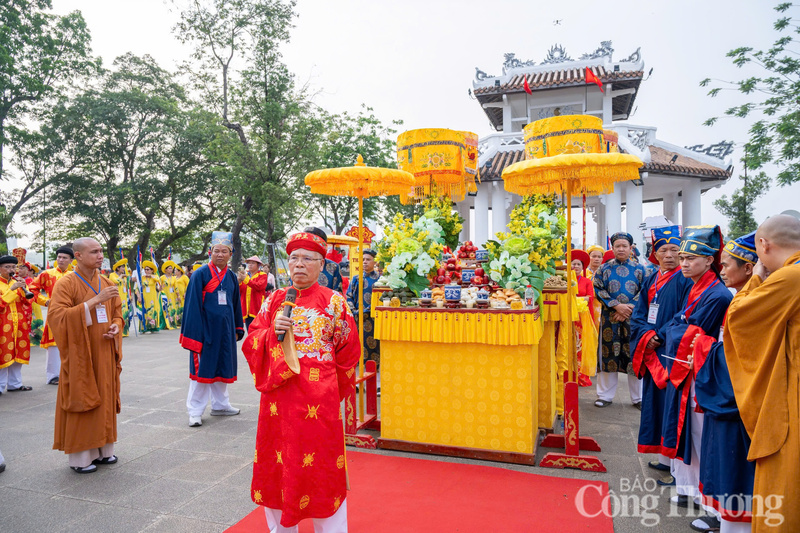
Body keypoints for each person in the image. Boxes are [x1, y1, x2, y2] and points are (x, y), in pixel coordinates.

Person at [243, 228, 360, 532]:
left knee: (322, 470)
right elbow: (251, 339)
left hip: (319, 403)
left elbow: (349, 354)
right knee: (278, 466)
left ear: (322, 265)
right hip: (278, 401)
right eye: (293, 258)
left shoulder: (334, 302)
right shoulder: (274, 301)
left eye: (307, 259)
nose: (298, 265)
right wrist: (271, 333)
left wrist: (334, 393)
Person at [724, 215, 800, 533]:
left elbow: (738, 317)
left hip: (793, 397)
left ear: (763, 245)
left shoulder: (791, 277)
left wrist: (756, 277)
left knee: (785, 484)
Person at [687, 232, 760, 533]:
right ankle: (720, 515)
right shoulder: (739, 295)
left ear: (749, 268)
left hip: (734, 392)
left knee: (734, 464)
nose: (722, 270)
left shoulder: (751, 301)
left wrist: (701, 350)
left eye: (727, 264)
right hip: (722, 383)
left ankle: (732, 522)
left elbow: (742, 355)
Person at [661, 226, 731, 514]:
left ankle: (708, 501)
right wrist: (676, 327)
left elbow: (688, 332)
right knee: (688, 432)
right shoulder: (695, 286)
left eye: (692, 258)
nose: (684, 263)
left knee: (700, 435)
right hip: (688, 369)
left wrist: (675, 328)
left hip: (700, 372)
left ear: (709, 260)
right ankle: (688, 487)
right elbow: (679, 325)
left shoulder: (717, 295)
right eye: (683, 257)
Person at [49, 237, 123, 474]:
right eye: (94, 252)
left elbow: (117, 312)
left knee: (105, 398)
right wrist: (94, 301)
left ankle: (104, 451)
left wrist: (116, 326)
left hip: (104, 350)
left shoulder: (106, 281)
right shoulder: (66, 283)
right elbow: (57, 317)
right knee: (84, 398)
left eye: (101, 251)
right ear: (78, 256)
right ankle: (81, 457)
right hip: (82, 354)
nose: (100, 255)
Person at [630, 227, 692, 481]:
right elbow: (640, 311)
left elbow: (685, 314)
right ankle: (665, 458)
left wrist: (660, 336)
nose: (668, 255)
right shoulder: (652, 278)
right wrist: (646, 334)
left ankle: (677, 465)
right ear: (654, 254)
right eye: (663, 250)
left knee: (672, 407)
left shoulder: (686, 279)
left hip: (670, 352)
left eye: (674, 250)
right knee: (657, 405)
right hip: (652, 349)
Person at [179, 232, 244, 427]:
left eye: (225, 251)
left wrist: (236, 327)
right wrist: (195, 335)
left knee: (222, 368)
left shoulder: (231, 277)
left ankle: (221, 405)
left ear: (230, 254)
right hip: (205, 332)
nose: (220, 255)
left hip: (224, 332)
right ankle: (195, 411)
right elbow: (192, 306)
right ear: (210, 252)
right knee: (202, 373)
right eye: (217, 251)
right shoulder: (200, 274)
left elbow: (235, 304)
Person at [592, 232, 646, 408]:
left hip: (634, 319)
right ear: (612, 248)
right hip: (610, 318)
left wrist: (628, 308)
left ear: (631, 248)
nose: (621, 249)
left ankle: (638, 398)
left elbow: (645, 292)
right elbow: (598, 288)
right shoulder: (604, 269)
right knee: (608, 356)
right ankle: (605, 396)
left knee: (634, 356)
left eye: (625, 246)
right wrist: (616, 306)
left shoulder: (641, 269)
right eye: (617, 246)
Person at [31, 245, 74, 385]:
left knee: (73, 342)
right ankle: (53, 375)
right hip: (54, 312)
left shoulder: (75, 275)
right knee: (53, 344)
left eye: (64, 258)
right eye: (59, 257)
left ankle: (71, 374)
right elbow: (32, 289)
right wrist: (45, 301)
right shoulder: (47, 274)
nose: (61, 260)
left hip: (73, 312)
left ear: (71, 260)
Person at [0, 255, 34, 394]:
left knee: (18, 353)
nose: (11, 269)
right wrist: (12, 289)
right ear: (0, 268)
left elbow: (27, 302)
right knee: (3, 354)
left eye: (13, 267)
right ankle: (0, 386)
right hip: (3, 324)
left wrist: (24, 289)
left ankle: (15, 384)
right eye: (7, 267)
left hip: (19, 323)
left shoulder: (18, 282)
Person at [347, 249, 380, 369]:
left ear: (374, 261)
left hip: (372, 318)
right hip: (356, 317)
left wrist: (366, 311)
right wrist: (354, 311)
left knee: (373, 343)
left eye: (368, 259)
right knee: (357, 342)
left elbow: (379, 298)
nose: (365, 262)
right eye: (363, 260)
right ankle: (358, 364)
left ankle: (373, 367)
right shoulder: (356, 279)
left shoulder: (379, 279)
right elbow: (349, 296)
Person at [569, 249, 595, 387]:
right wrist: (579, 299)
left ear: (582, 267)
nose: (576, 267)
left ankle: (581, 375)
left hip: (582, 318)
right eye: (573, 264)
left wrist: (576, 300)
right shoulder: (565, 280)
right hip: (568, 317)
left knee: (580, 346)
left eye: (579, 264)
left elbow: (590, 298)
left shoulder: (586, 281)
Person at [238, 255, 271, 330]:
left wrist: (245, 279)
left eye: (253, 263)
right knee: (249, 330)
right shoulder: (245, 275)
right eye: (249, 263)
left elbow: (259, 286)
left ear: (258, 265)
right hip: (246, 308)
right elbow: (240, 291)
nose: (250, 265)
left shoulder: (262, 275)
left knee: (258, 331)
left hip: (257, 306)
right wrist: (239, 281)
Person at [109, 259, 133, 337]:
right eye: (122, 267)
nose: (124, 269)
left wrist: (130, 296)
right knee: (118, 313)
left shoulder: (125, 276)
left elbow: (127, 287)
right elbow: (115, 282)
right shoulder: (112, 275)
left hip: (124, 297)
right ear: (118, 268)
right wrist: (121, 276)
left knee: (125, 314)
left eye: (124, 267)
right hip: (116, 296)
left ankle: (125, 331)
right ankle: (117, 331)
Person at [138, 260, 164, 332]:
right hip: (145, 296)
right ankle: (144, 328)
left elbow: (158, 280)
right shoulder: (142, 278)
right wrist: (139, 296)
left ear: (152, 270)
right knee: (145, 310)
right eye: (145, 269)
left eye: (148, 269)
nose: (146, 271)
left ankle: (153, 327)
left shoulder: (154, 277)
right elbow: (138, 287)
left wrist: (150, 276)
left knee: (153, 310)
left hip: (152, 296)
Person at [160, 260, 183, 329]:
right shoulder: (162, 278)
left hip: (172, 296)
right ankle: (165, 324)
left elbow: (176, 288)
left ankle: (172, 323)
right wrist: (160, 288)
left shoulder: (174, 278)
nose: (171, 270)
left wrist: (178, 296)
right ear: (165, 270)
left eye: (171, 268)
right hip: (164, 295)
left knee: (172, 308)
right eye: (169, 268)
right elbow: (158, 287)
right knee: (165, 308)